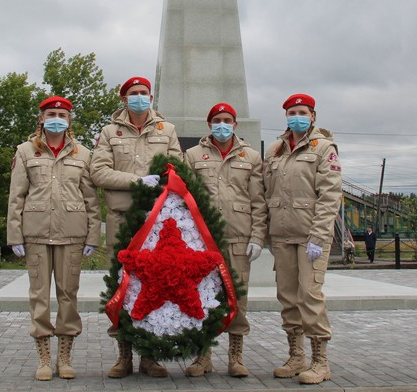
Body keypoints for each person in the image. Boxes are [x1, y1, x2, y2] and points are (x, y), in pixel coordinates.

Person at [90, 76, 182, 378]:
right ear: (124, 99)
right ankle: (124, 355)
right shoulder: (109, 132)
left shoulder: (166, 130)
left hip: (156, 219)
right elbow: (99, 172)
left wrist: (162, 181)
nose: (139, 97)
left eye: (144, 93)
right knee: (122, 284)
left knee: (153, 283)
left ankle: (149, 355)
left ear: (151, 97)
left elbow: (177, 167)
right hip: (122, 217)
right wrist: (136, 181)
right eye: (133, 93)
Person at [7, 96, 101, 381]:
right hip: (35, 232)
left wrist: (92, 237)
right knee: (39, 297)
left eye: (62, 114)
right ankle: (44, 357)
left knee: (68, 296)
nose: (56, 118)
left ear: (69, 120)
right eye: (51, 114)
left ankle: (65, 356)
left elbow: (91, 200)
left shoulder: (83, 154)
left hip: (72, 233)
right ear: (41, 119)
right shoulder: (25, 151)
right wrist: (15, 235)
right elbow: (16, 197)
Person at [183, 103, 268, 377]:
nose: (222, 124)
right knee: (202, 297)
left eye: (227, 120)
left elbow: (258, 201)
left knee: (237, 298)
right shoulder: (193, 155)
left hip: (239, 237)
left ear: (235, 124)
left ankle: (236, 356)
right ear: (209, 124)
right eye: (217, 120)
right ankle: (202, 355)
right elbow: (186, 199)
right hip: (203, 241)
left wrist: (257, 236)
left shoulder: (251, 157)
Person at [264, 93, 342, 385]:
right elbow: (265, 193)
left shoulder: (323, 148)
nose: (296, 116)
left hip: (311, 236)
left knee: (309, 295)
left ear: (312, 116)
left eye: (302, 112)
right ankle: (296, 356)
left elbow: (329, 195)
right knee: (287, 296)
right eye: (291, 112)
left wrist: (319, 236)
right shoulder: (275, 150)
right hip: (282, 236)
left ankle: (320, 361)